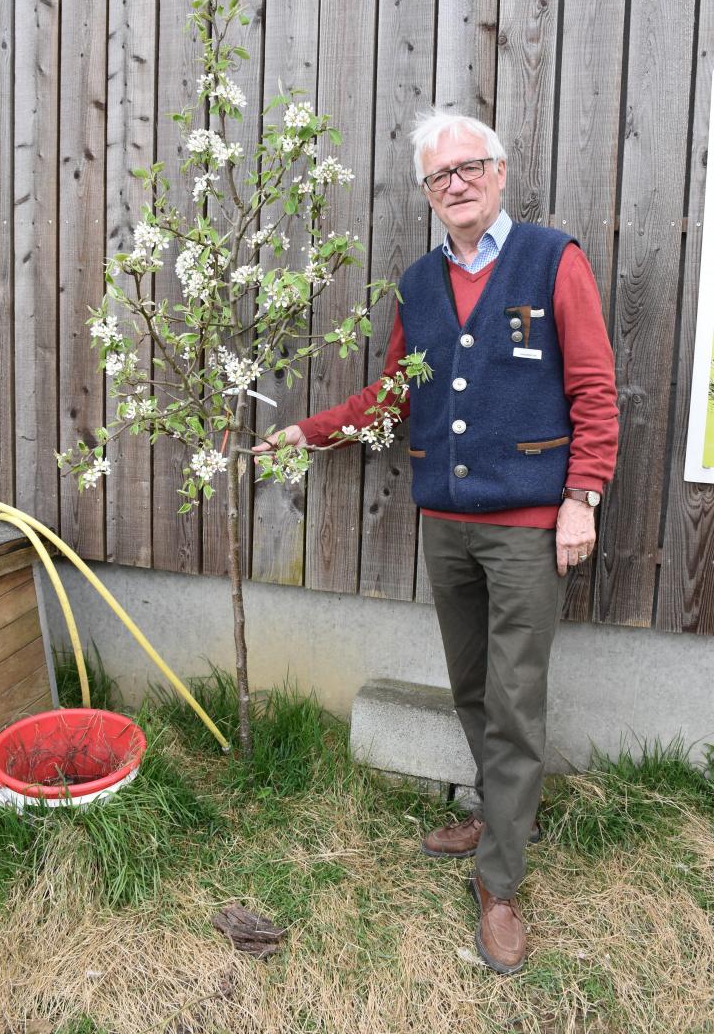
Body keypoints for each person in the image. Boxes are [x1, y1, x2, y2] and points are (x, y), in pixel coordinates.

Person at [253, 110, 619, 974]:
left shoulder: (552, 260)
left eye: (469, 167)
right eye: (438, 175)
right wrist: (307, 433)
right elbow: (392, 397)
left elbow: (596, 389)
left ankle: (500, 884)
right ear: (427, 192)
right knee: (470, 684)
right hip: (446, 524)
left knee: (515, 701)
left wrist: (582, 497)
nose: (455, 183)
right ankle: (498, 813)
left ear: (498, 172)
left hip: (530, 526)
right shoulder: (418, 283)